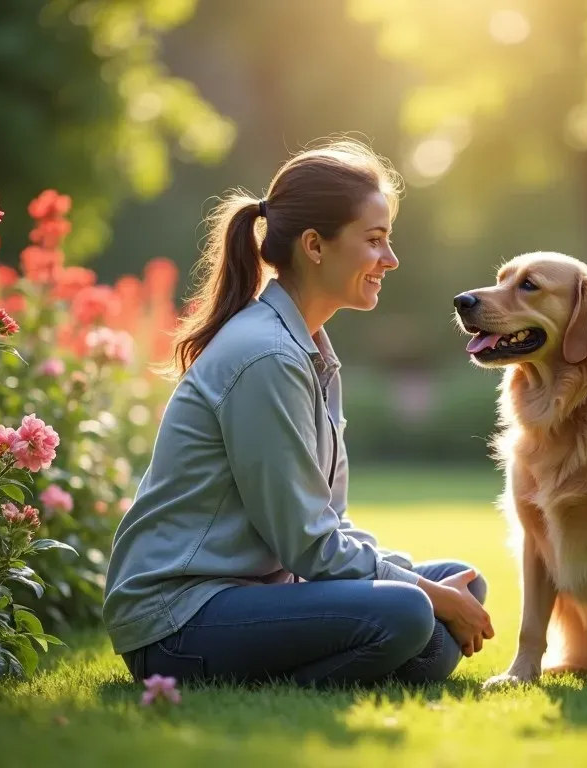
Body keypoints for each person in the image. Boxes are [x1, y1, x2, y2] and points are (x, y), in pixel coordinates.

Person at [102, 139, 493, 688]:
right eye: (374, 241)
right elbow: (307, 545)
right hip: (181, 620)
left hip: (259, 594)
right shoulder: (267, 356)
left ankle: (387, 653)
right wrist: (423, 597)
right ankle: (316, 676)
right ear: (314, 245)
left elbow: (326, 525)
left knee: (461, 583)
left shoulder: (308, 350)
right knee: (411, 612)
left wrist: (430, 588)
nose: (391, 259)